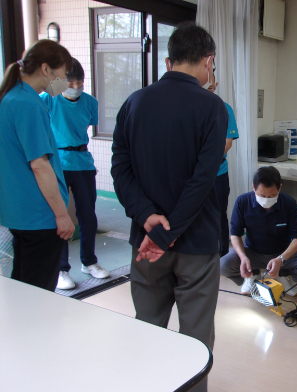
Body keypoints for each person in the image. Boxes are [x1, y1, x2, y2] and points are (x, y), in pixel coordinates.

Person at [111, 22, 227, 392]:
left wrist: (148, 218)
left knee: (146, 329)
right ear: (208, 61)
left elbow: (120, 169)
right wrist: (168, 232)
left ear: (168, 61)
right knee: (195, 341)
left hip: (146, 244)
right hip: (195, 244)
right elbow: (202, 181)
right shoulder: (213, 107)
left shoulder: (134, 103)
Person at [0, 40, 75, 291]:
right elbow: (40, 166)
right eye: (64, 73)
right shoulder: (29, 104)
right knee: (39, 292)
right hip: (40, 216)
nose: (65, 80)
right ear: (46, 69)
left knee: (23, 287)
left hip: (19, 214)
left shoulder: (10, 98)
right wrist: (62, 215)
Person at [41, 58, 109, 290]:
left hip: (83, 163)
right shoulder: (48, 100)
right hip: (57, 163)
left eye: (80, 82)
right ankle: (61, 269)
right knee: (60, 217)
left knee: (88, 215)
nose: (76, 87)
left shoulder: (90, 102)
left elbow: (87, 126)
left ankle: (89, 261)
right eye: (71, 82)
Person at [220, 166, 297, 296]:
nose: (267, 199)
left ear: (280, 187)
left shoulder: (289, 203)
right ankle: (252, 275)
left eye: (272, 195)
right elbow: (235, 234)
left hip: (283, 253)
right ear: (253, 187)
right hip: (253, 252)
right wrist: (243, 257)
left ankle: (284, 274)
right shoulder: (243, 202)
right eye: (262, 195)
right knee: (223, 264)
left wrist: (281, 259)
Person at [207, 68, 239, 258]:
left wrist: (206, 162)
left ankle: (222, 255)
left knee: (218, 214)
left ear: (216, 85)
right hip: (191, 175)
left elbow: (228, 142)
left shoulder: (224, 108)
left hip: (218, 173)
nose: (208, 91)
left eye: (211, 88)